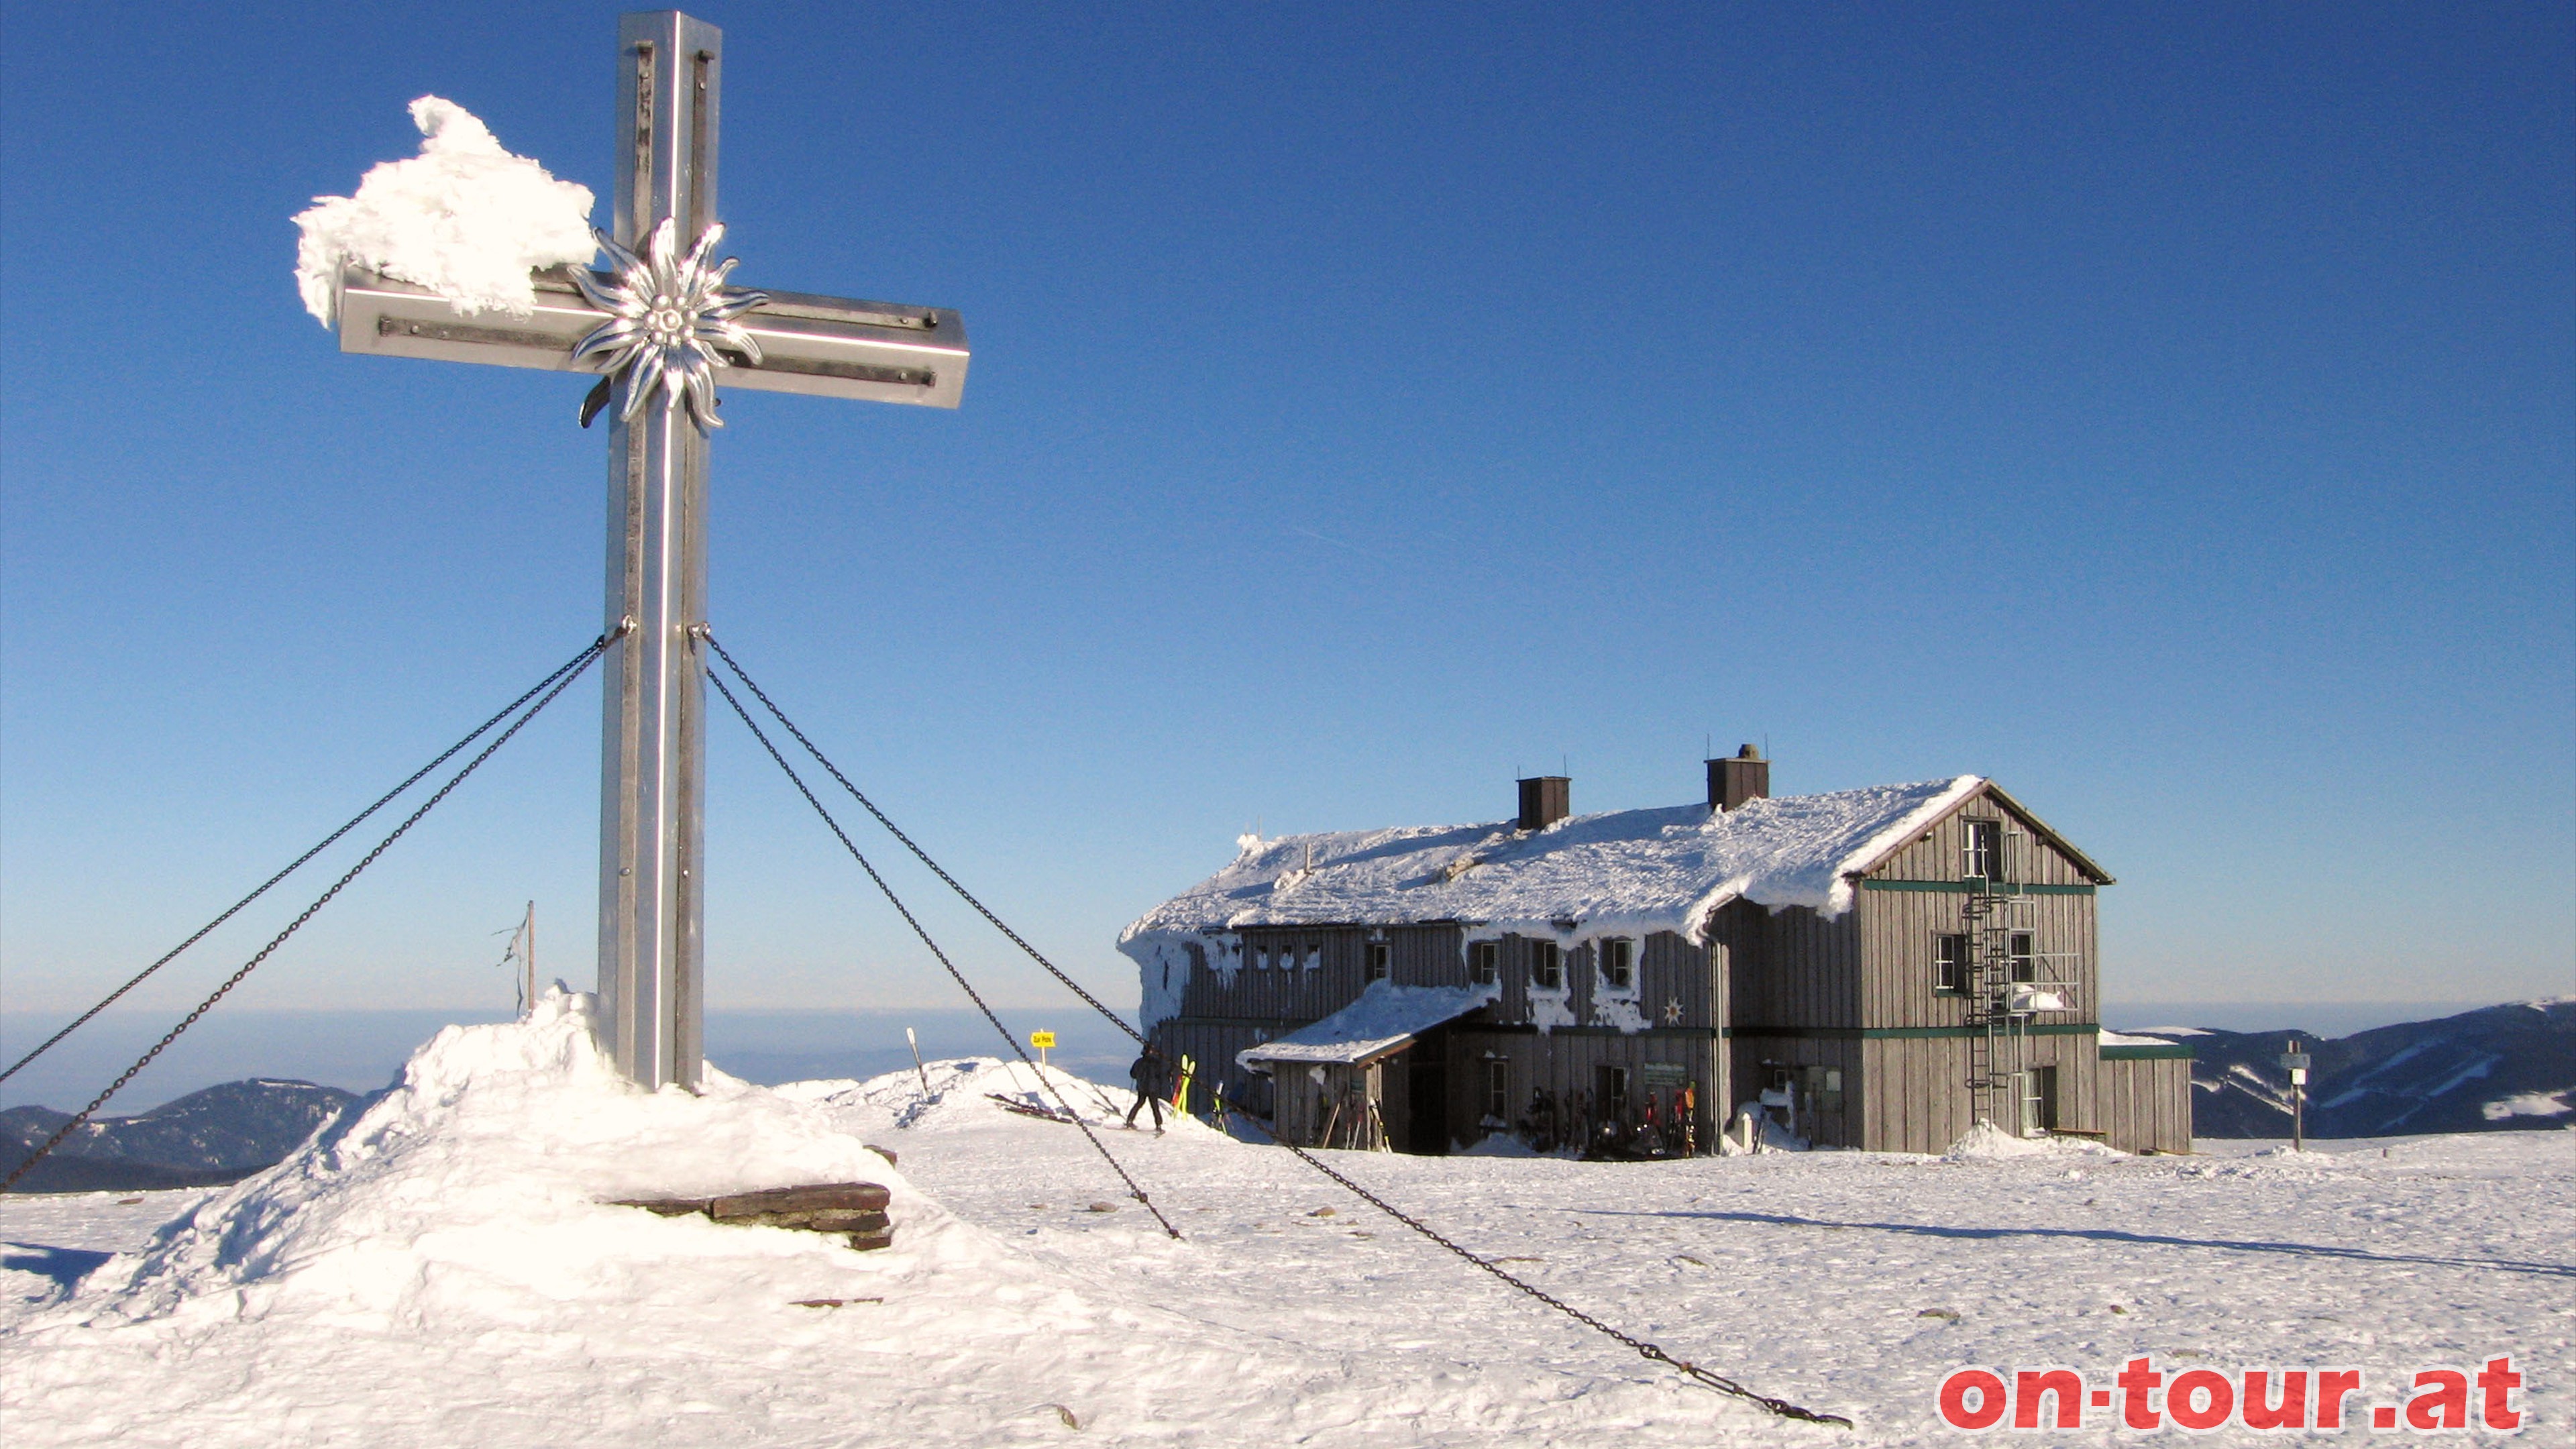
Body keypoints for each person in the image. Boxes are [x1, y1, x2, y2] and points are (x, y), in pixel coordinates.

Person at [1125, 1044, 1169, 1132]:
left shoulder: (1138, 1062)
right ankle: (1159, 1125)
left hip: (1141, 1087)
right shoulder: (1156, 1063)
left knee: (1139, 1103)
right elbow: (1160, 1075)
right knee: (1155, 1107)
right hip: (1152, 1088)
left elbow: (1133, 1074)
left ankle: (1130, 1120)